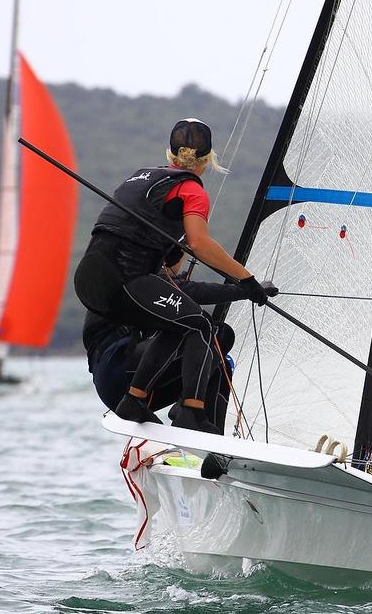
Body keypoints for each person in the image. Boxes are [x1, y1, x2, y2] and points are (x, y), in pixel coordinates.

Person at [74, 118, 275, 433]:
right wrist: (247, 280)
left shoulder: (139, 182)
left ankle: (209, 445)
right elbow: (200, 243)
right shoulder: (191, 191)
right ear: (209, 161)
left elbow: (184, 288)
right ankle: (189, 413)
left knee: (211, 337)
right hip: (117, 359)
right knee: (199, 326)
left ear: (169, 155)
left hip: (94, 276)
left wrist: (244, 290)